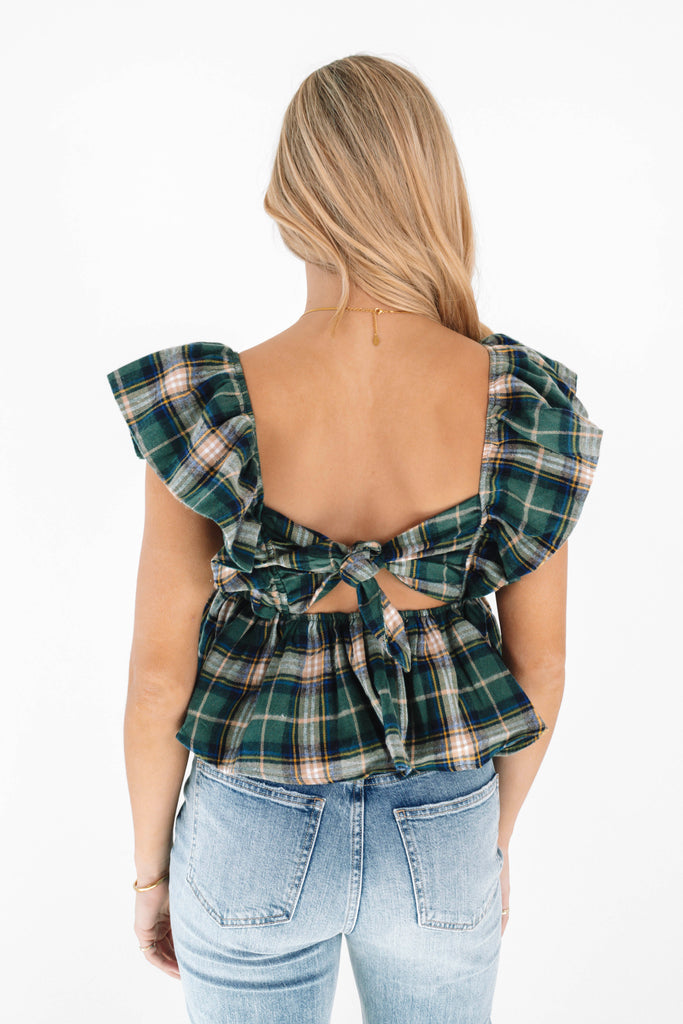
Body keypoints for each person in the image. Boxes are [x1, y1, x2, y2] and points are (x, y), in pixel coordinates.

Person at [106, 54, 604, 1024]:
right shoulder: (517, 401)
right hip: (442, 820)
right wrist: (487, 841)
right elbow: (539, 666)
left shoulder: (213, 404)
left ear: (287, 201)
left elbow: (160, 679)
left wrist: (149, 876)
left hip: (250, 821)